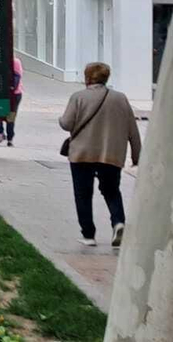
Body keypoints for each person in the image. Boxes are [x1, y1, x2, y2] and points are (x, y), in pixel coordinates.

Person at [60, 62, 142, 248]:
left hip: (82, 154)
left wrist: (61, 119)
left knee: (83, 193)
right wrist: (137, 156)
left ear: (87, 77)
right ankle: (118, 222)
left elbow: (66, 123)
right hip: (111, 154)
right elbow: (133, 130)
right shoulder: (121, 99)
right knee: (112, 190)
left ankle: (88, 235)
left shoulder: (78, 97)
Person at [0, 56, 23, 146]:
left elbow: (17, 77)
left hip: (14, 94)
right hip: (1, 92)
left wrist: (11, 89)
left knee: (11, 115)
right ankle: (1, 133)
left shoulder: (15, 62)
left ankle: (10, 138)